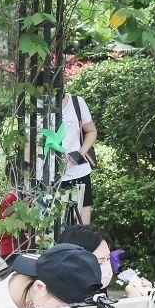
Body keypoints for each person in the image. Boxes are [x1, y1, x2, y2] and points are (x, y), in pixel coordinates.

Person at [58, 90, 97, 224]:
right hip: (46, 175)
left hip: (78, 172)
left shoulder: (76, 102)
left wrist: (80, 153)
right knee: (52, 225)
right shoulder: (35, 106)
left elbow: (91, 131)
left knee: (81, 223)